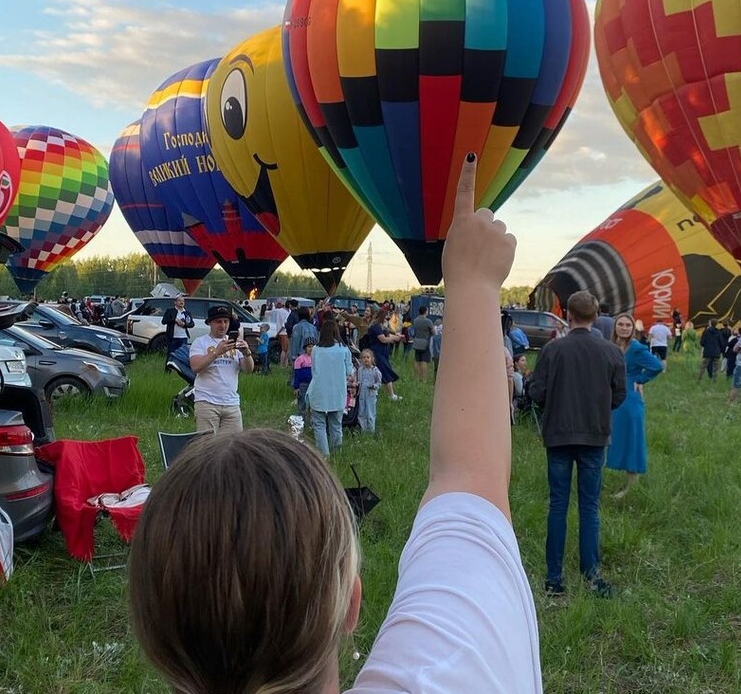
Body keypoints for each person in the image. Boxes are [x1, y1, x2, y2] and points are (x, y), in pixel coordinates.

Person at [128, 151, 544, 692]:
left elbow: (469, 476)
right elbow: (471, 475)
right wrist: (473, 281)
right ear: (352, 603)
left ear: (151, 638)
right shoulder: (446, 672)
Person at [529, 290, 626, 598]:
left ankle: (554, 579)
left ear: (568, 315)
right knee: (589, 507)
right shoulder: (611, 352)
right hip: (595, 436)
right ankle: (591, 575)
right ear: (596, 317)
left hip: (558, 434)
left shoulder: (552, 350)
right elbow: (620, 395)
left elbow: (536, 393)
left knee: (558, 505)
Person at [607, 313, 663, 500]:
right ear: (615, 327)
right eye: (620, 324)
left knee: (632, 439)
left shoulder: (636, 348)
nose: (624, 328)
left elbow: (656, 366)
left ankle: (632, 486)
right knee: (611, 437)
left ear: (632, 329)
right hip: (612, 397)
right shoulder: (612, 347)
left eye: (628, 325)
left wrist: (641, 379)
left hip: (630, 399)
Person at [189, 305, 254, 439]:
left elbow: (248, 370)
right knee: (206, 446)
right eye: (218, 321)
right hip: (207, 402)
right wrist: (217, 352)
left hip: (231, 403)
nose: (223, 325)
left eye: (226, 321)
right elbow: (195, 367)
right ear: (210, 323)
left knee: (233, 446)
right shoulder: (200, 342)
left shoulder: (234, 343)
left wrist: (246, 353)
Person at [308, 319, 353, 456]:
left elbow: (314, 370)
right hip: (337, 391)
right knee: (336, 425)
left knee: (319, 425)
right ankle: (337, 453)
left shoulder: (316, 349)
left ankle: (324, 455)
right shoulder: (343, 349)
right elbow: (348, 371)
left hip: (319, 391)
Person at [368, 306, 403, 401]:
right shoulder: (376, 326)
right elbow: (383, 339)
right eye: (387, 316)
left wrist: (396, 336)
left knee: (380, 372)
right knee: (385, 372)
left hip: (382, 352)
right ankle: (392, 395)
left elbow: (387, 335)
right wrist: (394, 338)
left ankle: (375, 392)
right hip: (377, 352)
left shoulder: (381, 326)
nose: (388, 318)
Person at [356, 348, 382, 433]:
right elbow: (359, 380)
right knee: (361, 411)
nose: (366, 359)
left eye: (368, 357)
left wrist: (373, 386)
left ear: (372, 359)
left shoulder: (375, 371)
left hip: (371, 394)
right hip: (362, 393)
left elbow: (379, 383)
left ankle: (371, 430)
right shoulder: (360, 370)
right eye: (364, 357)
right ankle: (363, 429)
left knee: (370, 412)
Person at [410, 305, 435, 383]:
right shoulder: (428, 321)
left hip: (416, 341)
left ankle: (416, 378)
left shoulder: (415, 320)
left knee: (417, 360)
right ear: (425, 311)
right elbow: (433, 332)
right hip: (425, 342)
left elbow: (413, 331)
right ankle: (424, 379)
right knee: (424, 361)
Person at [292, 338, 315, 416]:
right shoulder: (300, 359)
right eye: (309, 346)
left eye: (313, 346)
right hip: (303, 384)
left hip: (314, 384)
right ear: (305, 348)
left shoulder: (317, 358)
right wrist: (296, 387)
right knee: (302, 402)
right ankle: (300, 419)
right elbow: (297, 374)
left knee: (314, 403)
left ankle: (312, 421)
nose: (311, 349)